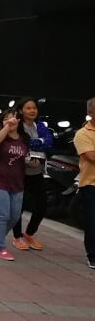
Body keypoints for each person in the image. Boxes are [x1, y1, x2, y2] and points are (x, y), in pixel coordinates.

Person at [0, 108, 29, 261]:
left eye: (13, 118)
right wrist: (6, 127)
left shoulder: (24, 138)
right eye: (6, 118)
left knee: (15, 216)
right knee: (3, 214)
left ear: (19, 120)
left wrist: (31, 162)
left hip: (17, 183)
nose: (10, 120)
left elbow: (25, 157)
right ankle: (0, 248)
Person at [11, 98, 53, 251]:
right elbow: (21, 144)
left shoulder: (40, 126)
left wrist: (36, 143)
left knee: (42, 204)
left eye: (34, 108)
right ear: (21, 110)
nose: (32, 111)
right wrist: (37, 142)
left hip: (37, 171)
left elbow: (48, 143)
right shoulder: (17, 126)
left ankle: (29, 233)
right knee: (19, 205)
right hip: (19, 171)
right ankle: (17, 237)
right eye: (28, 108)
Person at [73, 97, 95, 269]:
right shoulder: (83, 134)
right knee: (92, 222)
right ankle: (92, 255)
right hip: (91, 184)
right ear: (90, 112)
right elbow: (91, 156)